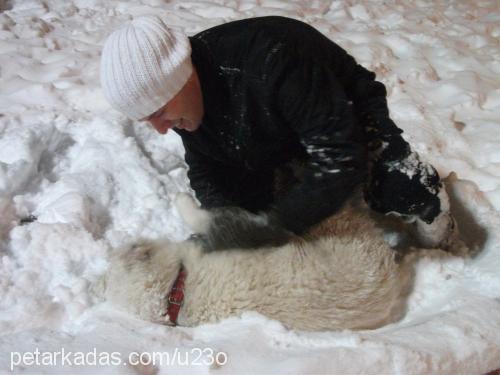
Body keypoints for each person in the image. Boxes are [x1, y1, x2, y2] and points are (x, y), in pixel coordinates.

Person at [100, 15, 457, 249]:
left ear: (185, 75)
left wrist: (279, 225)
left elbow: (340, 157)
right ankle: (287, 168)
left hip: (342, 110)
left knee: (392, 184)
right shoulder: (184, 99)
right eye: (148, 120)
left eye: (160, 113)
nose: (161, 130)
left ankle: (429, 201)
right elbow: (207, 161)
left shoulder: (273, 60)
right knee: (243, 224)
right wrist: (228, 223)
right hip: (269, 127)